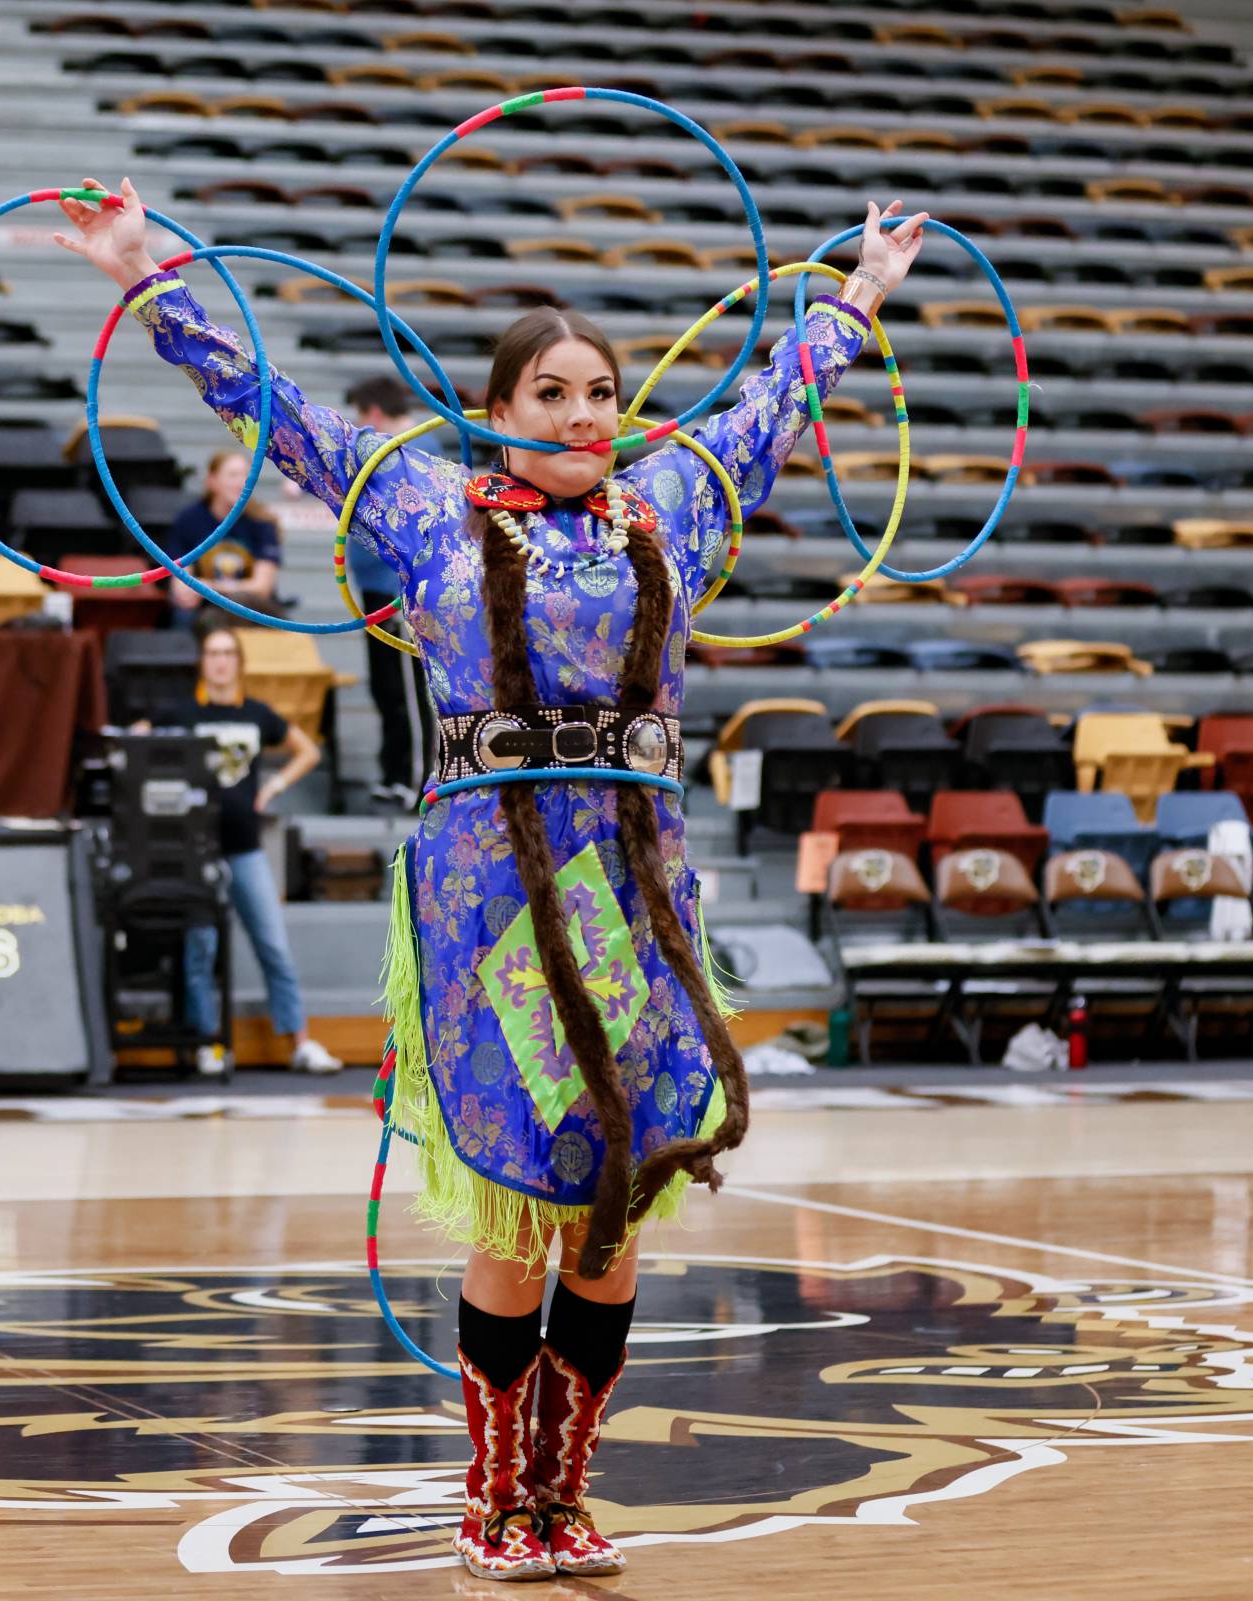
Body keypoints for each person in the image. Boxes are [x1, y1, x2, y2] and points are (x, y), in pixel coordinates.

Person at [60, 175, 927, 1580]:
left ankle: (567, 1488)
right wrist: (146, 272)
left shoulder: (673, 509)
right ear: (502, 410)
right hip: (489, 898)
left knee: (613, 1213)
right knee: (522, 1202)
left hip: (634, 893)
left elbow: (777, 399)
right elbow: (269, 408)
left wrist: (863, 290)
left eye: (601, 391)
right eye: (553, 394)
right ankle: (491, 1495)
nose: (586, 415)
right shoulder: (420, 506)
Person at [140, 622, 342, 1077]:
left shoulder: (256, 713)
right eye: (212, 653)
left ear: (239, 662)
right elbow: (135, 741)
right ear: (202, 662)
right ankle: (208, 1044)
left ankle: (301, 1043)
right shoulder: (182, 713)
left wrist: (273, 786)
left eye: (228, 653)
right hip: (198, 854)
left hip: (246, 849)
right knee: (200, 950)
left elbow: (307, 751)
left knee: (274, 946)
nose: (220, 661)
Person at [343, 376, 433, 812]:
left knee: (409, 694)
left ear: (374, 414)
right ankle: (396, 772)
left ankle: (418, 778)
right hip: (375, 594)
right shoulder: (385, 455)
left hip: (399, 596)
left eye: (362, 415)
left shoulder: (405, 454)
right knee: (386, 688)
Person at [160, 449, 282, 624]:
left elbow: (262, 587)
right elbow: (180, 582)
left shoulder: (262, 522)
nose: (241, 483)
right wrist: (188, 593)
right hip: (203, 609)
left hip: (247, 607)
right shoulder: (188, 520)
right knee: (183, 615)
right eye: (233, 476)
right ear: (212, 481)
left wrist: (209, 587)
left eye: (246, 477)